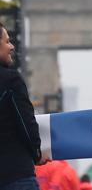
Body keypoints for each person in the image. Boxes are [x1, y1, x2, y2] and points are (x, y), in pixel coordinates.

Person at [0, 21, 46, 190]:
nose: (11, 46)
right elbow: (26, 123)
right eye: (7, 41)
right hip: (15, 174)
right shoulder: (11, 80)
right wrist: (36, 153)